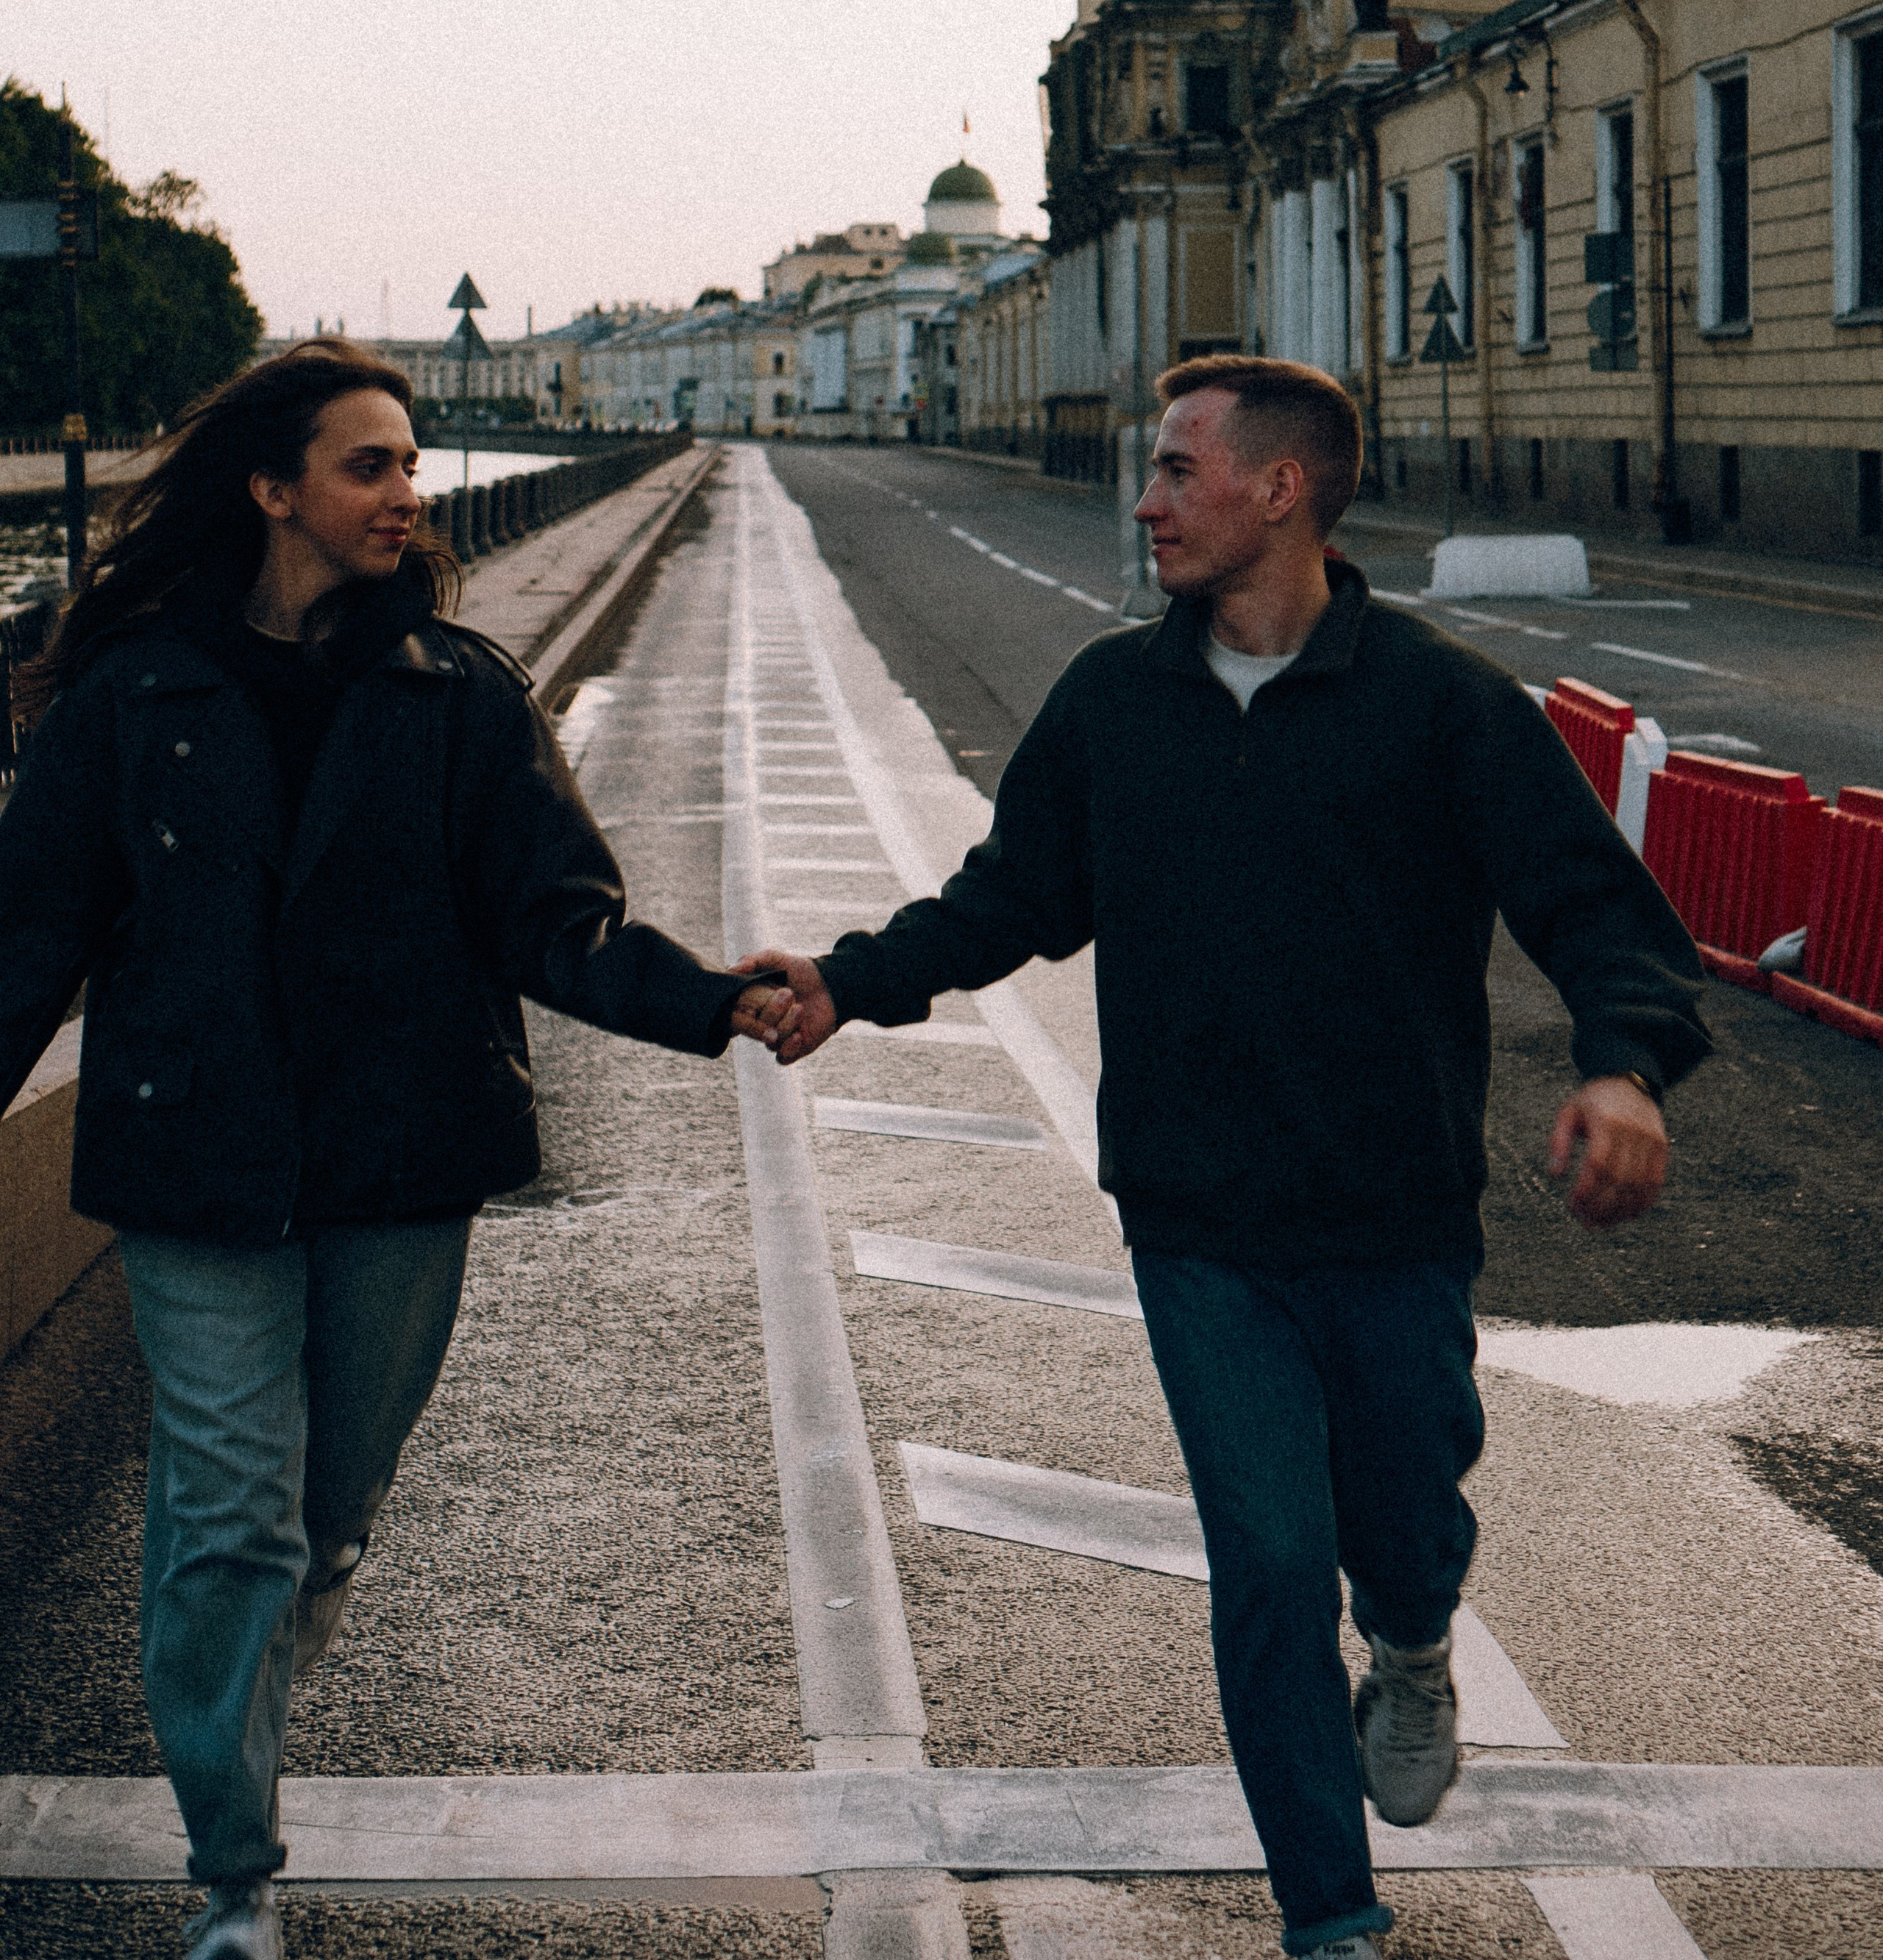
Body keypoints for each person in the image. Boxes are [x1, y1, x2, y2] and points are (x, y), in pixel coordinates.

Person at [741, 354, 1710, 1960]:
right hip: (1196, 1218)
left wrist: (1624, 1070)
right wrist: (850, 980)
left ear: (1281, 489)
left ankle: (1407, 1644)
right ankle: (1327, 1917)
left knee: (1401, 1511)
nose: (1147, 500)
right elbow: (1007, 902)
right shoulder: (1112, 705)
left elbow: (1598, 915)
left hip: (1392, 1209)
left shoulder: (1439, 705)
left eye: (1179, 469)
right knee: (1265, 1557)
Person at [0, 343, 794, 1960]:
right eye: (368, 465)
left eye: (411, 464)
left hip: (397, 1156)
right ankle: (236, 1873)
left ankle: (268, 1671)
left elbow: (557, 924)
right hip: (196, 1160)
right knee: (229, 1512)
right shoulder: (131, 697)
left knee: (331, 1504)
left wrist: (716, 1004)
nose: (406, 495)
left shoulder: (456, 693)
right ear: (272, 489)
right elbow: (28, 940)